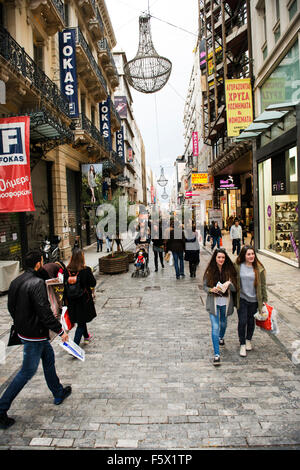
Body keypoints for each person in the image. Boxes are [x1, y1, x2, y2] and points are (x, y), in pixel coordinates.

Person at [0, 251, 71, 430]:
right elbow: (44, 311)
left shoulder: (17, 281)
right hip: (35, 335)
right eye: (41, 260)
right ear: (38, 264)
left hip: (25, 332)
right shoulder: (37, 283)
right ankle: (1, 408)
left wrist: (20, 322)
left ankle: (58, 392)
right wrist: (60, 330)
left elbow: (10, 307)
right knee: (26, 372)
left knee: (49, 359)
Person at [203, 248, 237, 366]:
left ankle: (221, 337)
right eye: (219, 257)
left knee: (223, 323)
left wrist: (229, 284)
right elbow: (205, 287)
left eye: (223, 257)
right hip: (214, 303)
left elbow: (235, 289)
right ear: (215, 258)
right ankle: (217, 354)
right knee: (215, 326)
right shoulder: (210, 271)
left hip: (225, 303)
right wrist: (212, 289)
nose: (221, 259)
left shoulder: (229, 270)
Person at [235, 246, 267, 357]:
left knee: (250, 322)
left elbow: (263, 285)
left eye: (252, 254)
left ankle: (248, 339)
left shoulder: (259, 268)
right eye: (248, 254)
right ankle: (242, 344)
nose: (251, 256)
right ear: (244, 255)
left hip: (254, 300)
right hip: (242, 299)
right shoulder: (238, 267)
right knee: (242, 321)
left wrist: (264, 301)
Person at [65, 248, 97, 346]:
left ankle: (86, 336)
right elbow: (93, 283)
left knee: (80, 320)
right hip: (83, 300)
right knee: (81, 322)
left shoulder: (67, 271)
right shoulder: (85, 270)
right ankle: (74, 346)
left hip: (71, 301)